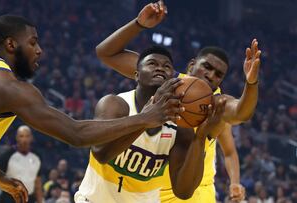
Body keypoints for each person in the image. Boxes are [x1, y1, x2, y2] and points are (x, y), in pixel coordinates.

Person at [0, 14, 182, 203]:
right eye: (33, 42)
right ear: (11, 44)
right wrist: (144, 118)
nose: (39, 50)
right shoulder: (8, 86)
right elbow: (76, 134)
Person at [95, 1, 260, 202]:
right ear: (192, 65)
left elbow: (242, 113)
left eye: (217, 75)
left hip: (196, 188)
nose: (210, 75)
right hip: (154, 187)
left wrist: (251, 83)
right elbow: (106, 53)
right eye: (206, 67)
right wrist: (138, 24)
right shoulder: (163, 77)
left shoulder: (216, 103)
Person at [75, 45, 227, 203]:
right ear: (137, 75)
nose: (160, 68)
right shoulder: (116, 104)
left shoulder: (180, 129)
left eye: (167, 66)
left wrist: (200, 138)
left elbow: (184, 192)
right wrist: (145, 120)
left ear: (175, 79)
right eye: (152, 64)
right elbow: (101, 154)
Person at [0, 125, 43, 203]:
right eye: (21, 136)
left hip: (29, 198)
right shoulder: (6, 156)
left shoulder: (37, 157)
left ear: (31, 138)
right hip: (8, 199)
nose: (24, 139)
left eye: (27, 136)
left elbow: (38, 184)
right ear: (17, 138)